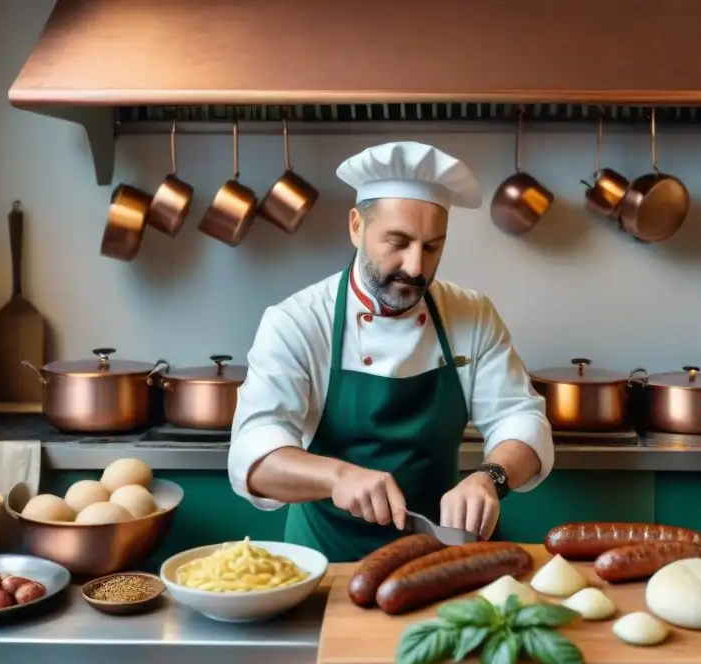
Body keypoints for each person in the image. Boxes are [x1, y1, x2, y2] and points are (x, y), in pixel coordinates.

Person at [228, 141, 554, 562]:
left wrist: (490, 478)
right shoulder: (297, 321)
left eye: (432, 246)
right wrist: (336, 475)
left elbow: (520, 417)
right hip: (327, 563)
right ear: (356, 227)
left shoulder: (471, 314)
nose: (416, 267)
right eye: (397, 242)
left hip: (441, 556)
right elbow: (253, 454)